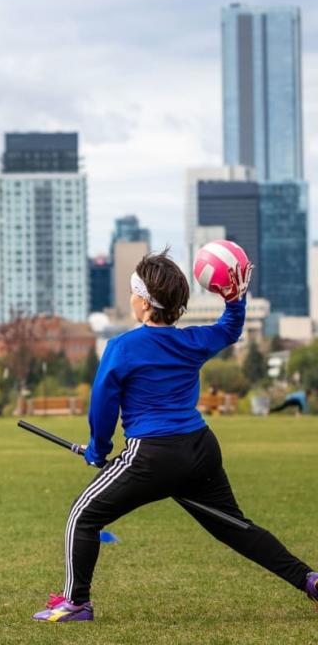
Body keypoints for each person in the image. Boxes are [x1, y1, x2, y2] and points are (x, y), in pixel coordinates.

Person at [33, 249, 317, 622]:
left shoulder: (121, 347)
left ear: (145, 303)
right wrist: (235, 300)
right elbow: (231, 328)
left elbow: (103, 406)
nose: (131, 299)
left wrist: (97, 451)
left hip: (152, 456)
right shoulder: (193, 341)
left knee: (82, 516)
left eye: (134, 292)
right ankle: (310, 581)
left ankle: (76, 603)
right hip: (200, 449)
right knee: (236, 528)